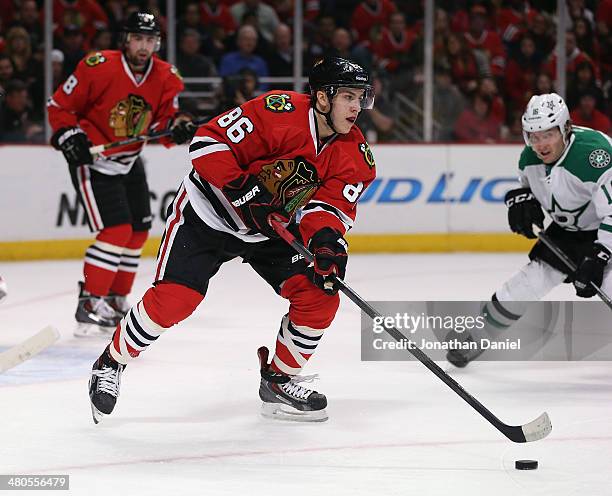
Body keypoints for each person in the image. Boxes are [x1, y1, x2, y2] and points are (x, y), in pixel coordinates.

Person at [87, 56, 376, 425]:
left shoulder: (356, 155)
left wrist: (326, 243)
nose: (356, 107)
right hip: (209, 214)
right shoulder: (277, 113)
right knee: (176, 300)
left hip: (269, 228)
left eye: (360, 97)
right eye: (347, 96)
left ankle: (279, 381)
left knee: (319, 295)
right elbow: (206, 143)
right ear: (322, 98)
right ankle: (111, 362)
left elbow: (329, 208)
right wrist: (244, 192)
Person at [47, 12, 196, 338]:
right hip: (95, 162)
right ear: (125, 40)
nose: (144, 47)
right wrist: (68, 136)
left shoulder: (167, 76)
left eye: (149, 40)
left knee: (139, 232)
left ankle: (115, 299)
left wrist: (178, 127)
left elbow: (162, 124)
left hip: (130, 160)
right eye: (137, 39)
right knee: (116, 231)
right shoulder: (97, 66)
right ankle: (90, 302)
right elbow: (58, 107)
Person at [447, 93, 612, 367]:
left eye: (547, 134)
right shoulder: (528, 159)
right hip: (567, 233)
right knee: (525, 284)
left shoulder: (595, 154)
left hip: (605, 234)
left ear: (565, 129)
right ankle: (477, 336)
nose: (539, 144)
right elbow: (530, 187)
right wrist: (522, 200)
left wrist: (601, 257)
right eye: (533, 136)